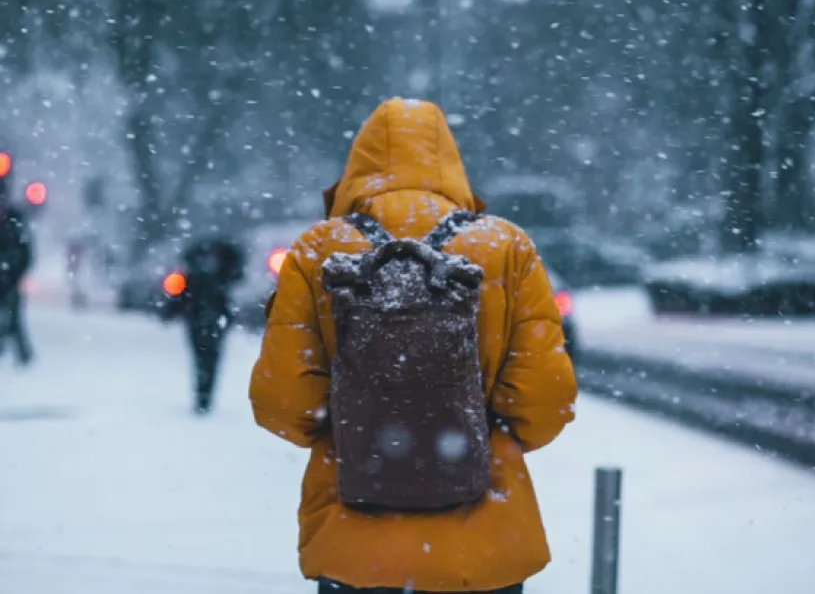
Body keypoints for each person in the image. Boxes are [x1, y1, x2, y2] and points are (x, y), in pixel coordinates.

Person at [249, 98, 578, 593]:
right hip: (485, 548)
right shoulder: (506, 247)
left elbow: (281, 403)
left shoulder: (318, 251)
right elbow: (546, 401)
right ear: (449, 162)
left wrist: (357, 430)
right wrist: (475, 438)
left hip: (353, 545)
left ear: (357, 166)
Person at [164, 235, 244, 414]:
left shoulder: (195, 272)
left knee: (201, 358)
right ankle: (205, 395)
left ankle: (202, 395)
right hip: (213, 320)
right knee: (211, 359)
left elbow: (180, 296)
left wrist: (170, 311)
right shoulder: (222, 272)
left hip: (198, 320)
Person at [0, 178, 34, 366]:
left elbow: (25, 253)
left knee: (13, 316)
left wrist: (11, 272)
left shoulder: (14, 220)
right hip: (9, 276)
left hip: (10, 280)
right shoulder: (15, 220)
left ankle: (22, 354)